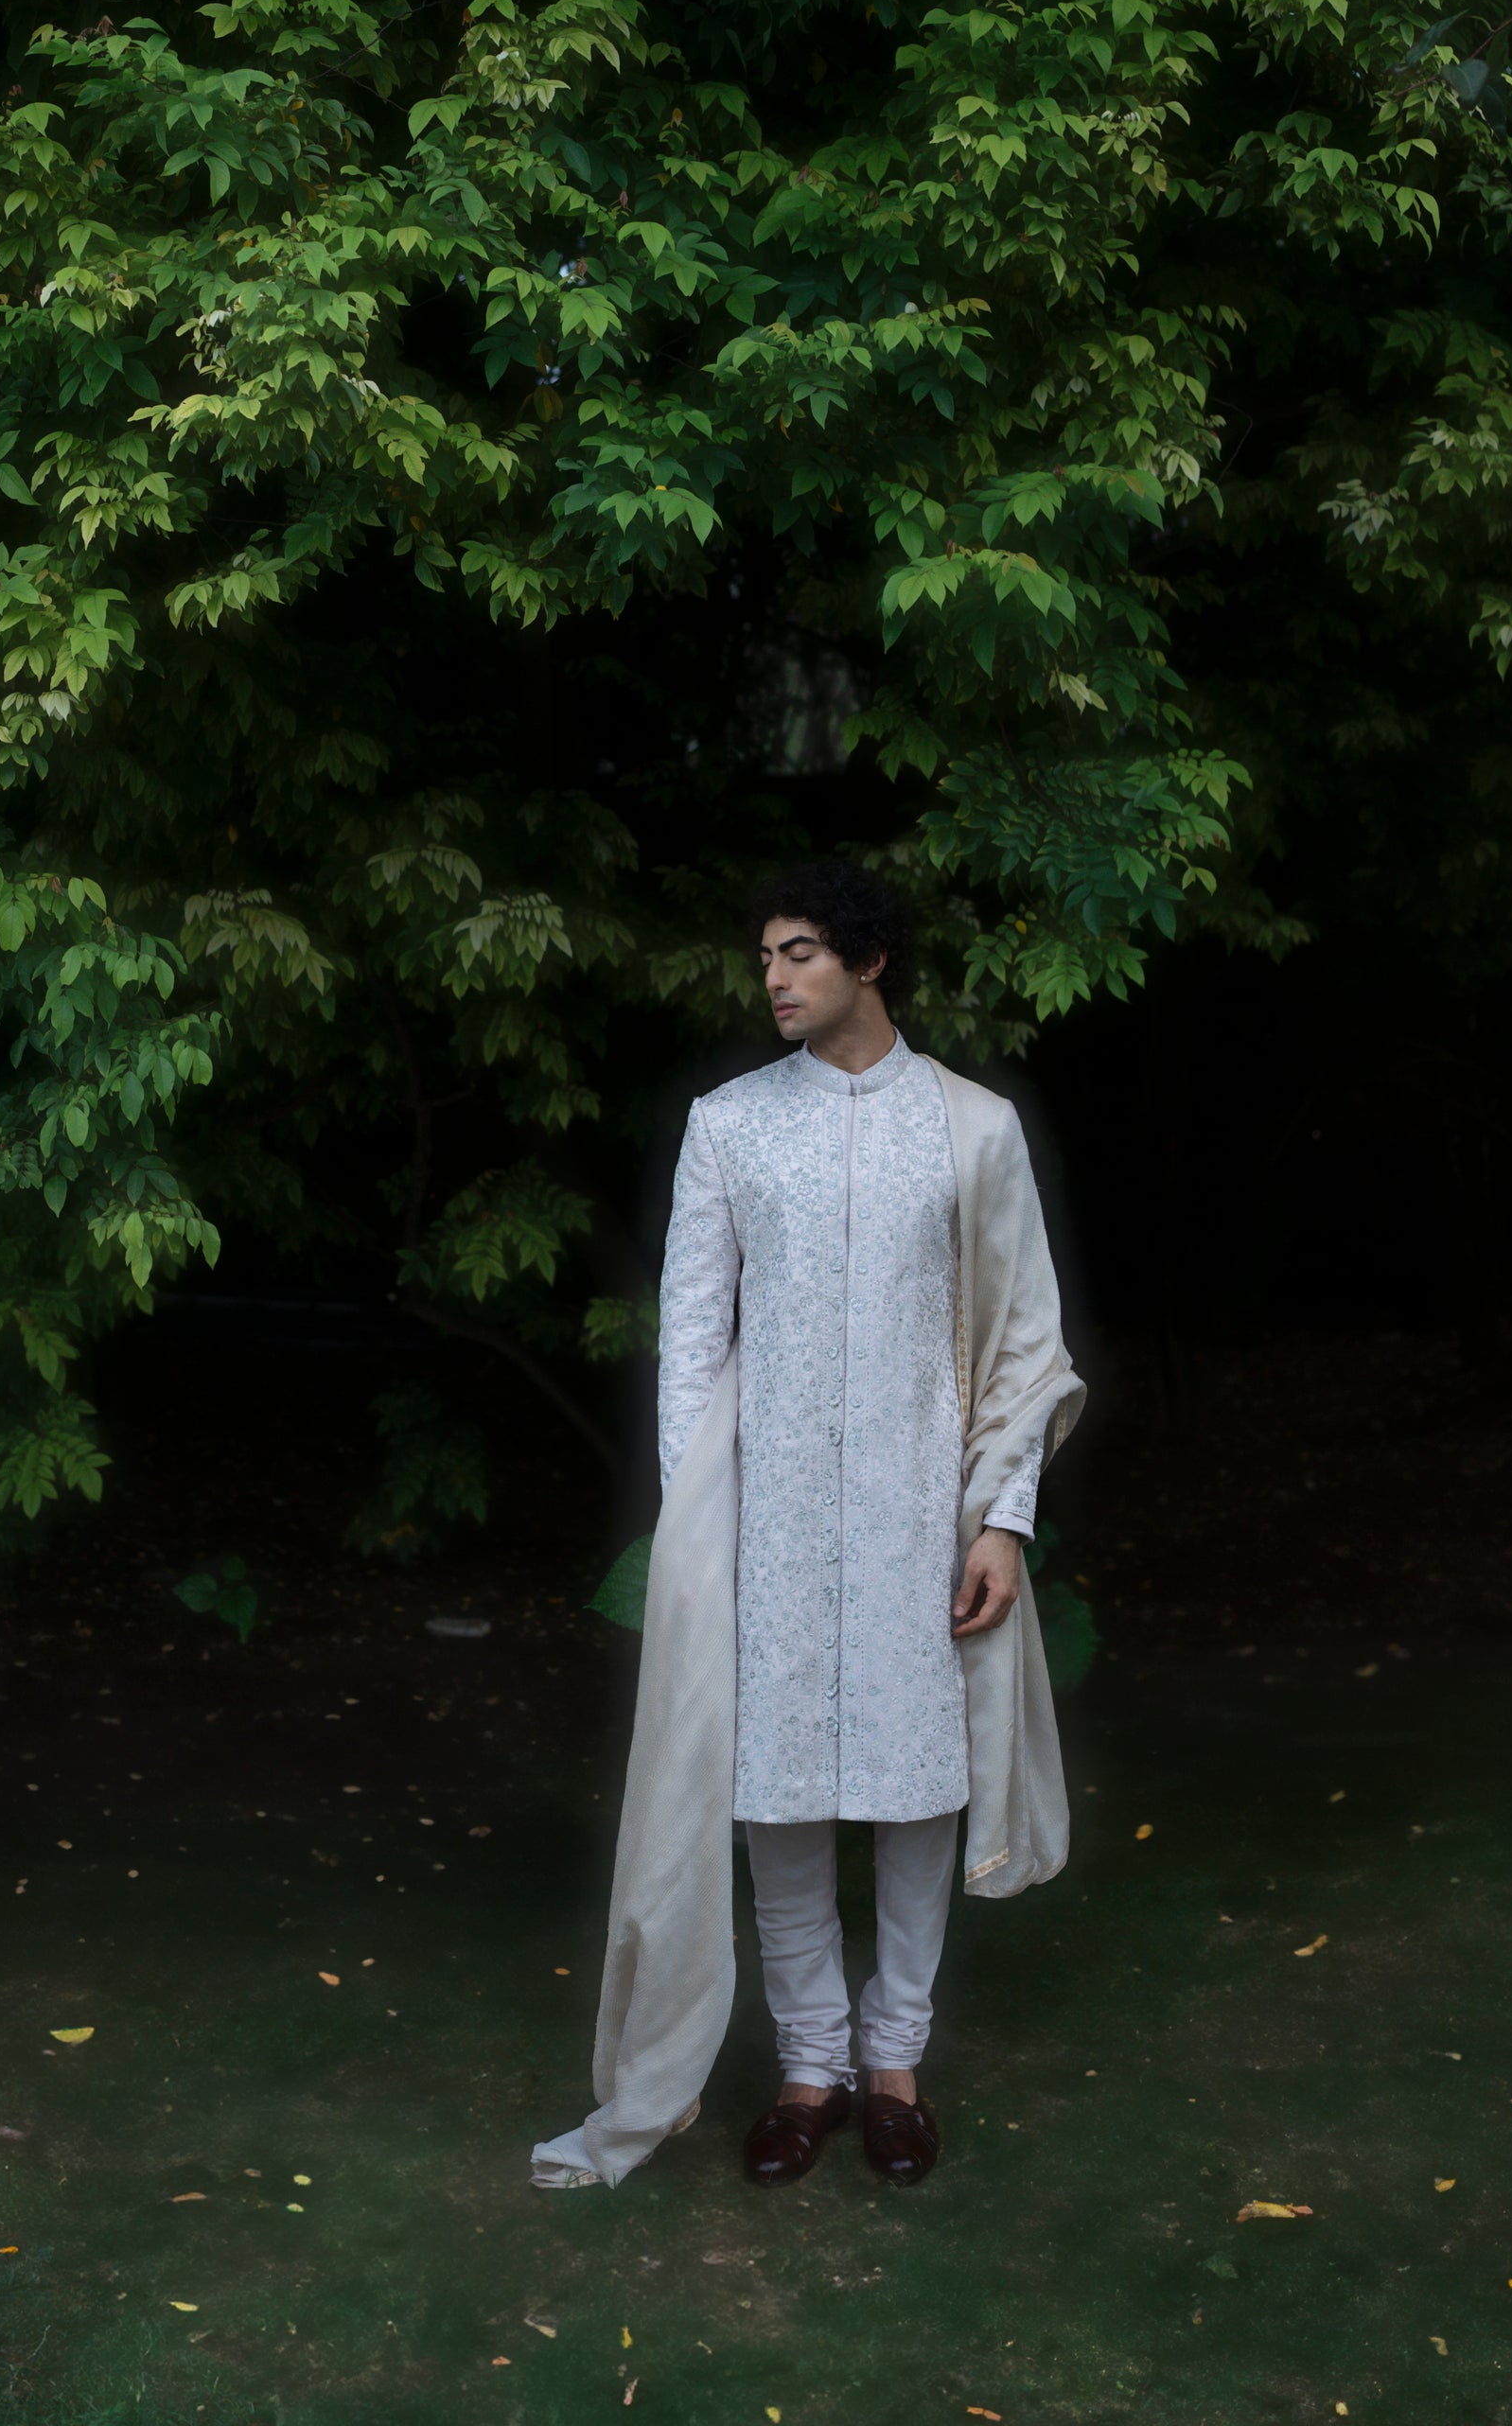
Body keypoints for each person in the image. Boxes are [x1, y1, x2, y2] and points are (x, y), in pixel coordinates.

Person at [531, 861, 1084, 2196]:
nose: (773, 977)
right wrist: (695, 1526)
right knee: (774, 1797)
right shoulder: (730, 1126)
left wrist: (1002, 1519)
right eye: (765, 955)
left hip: (919, 1516)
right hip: (762, 1517)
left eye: (799, 952)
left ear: (869, 961)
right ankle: (808, 2069)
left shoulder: (972, 1128)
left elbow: (1024, 1339)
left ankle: (896, 2067)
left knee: (911, 1793)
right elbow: (690, 1343)